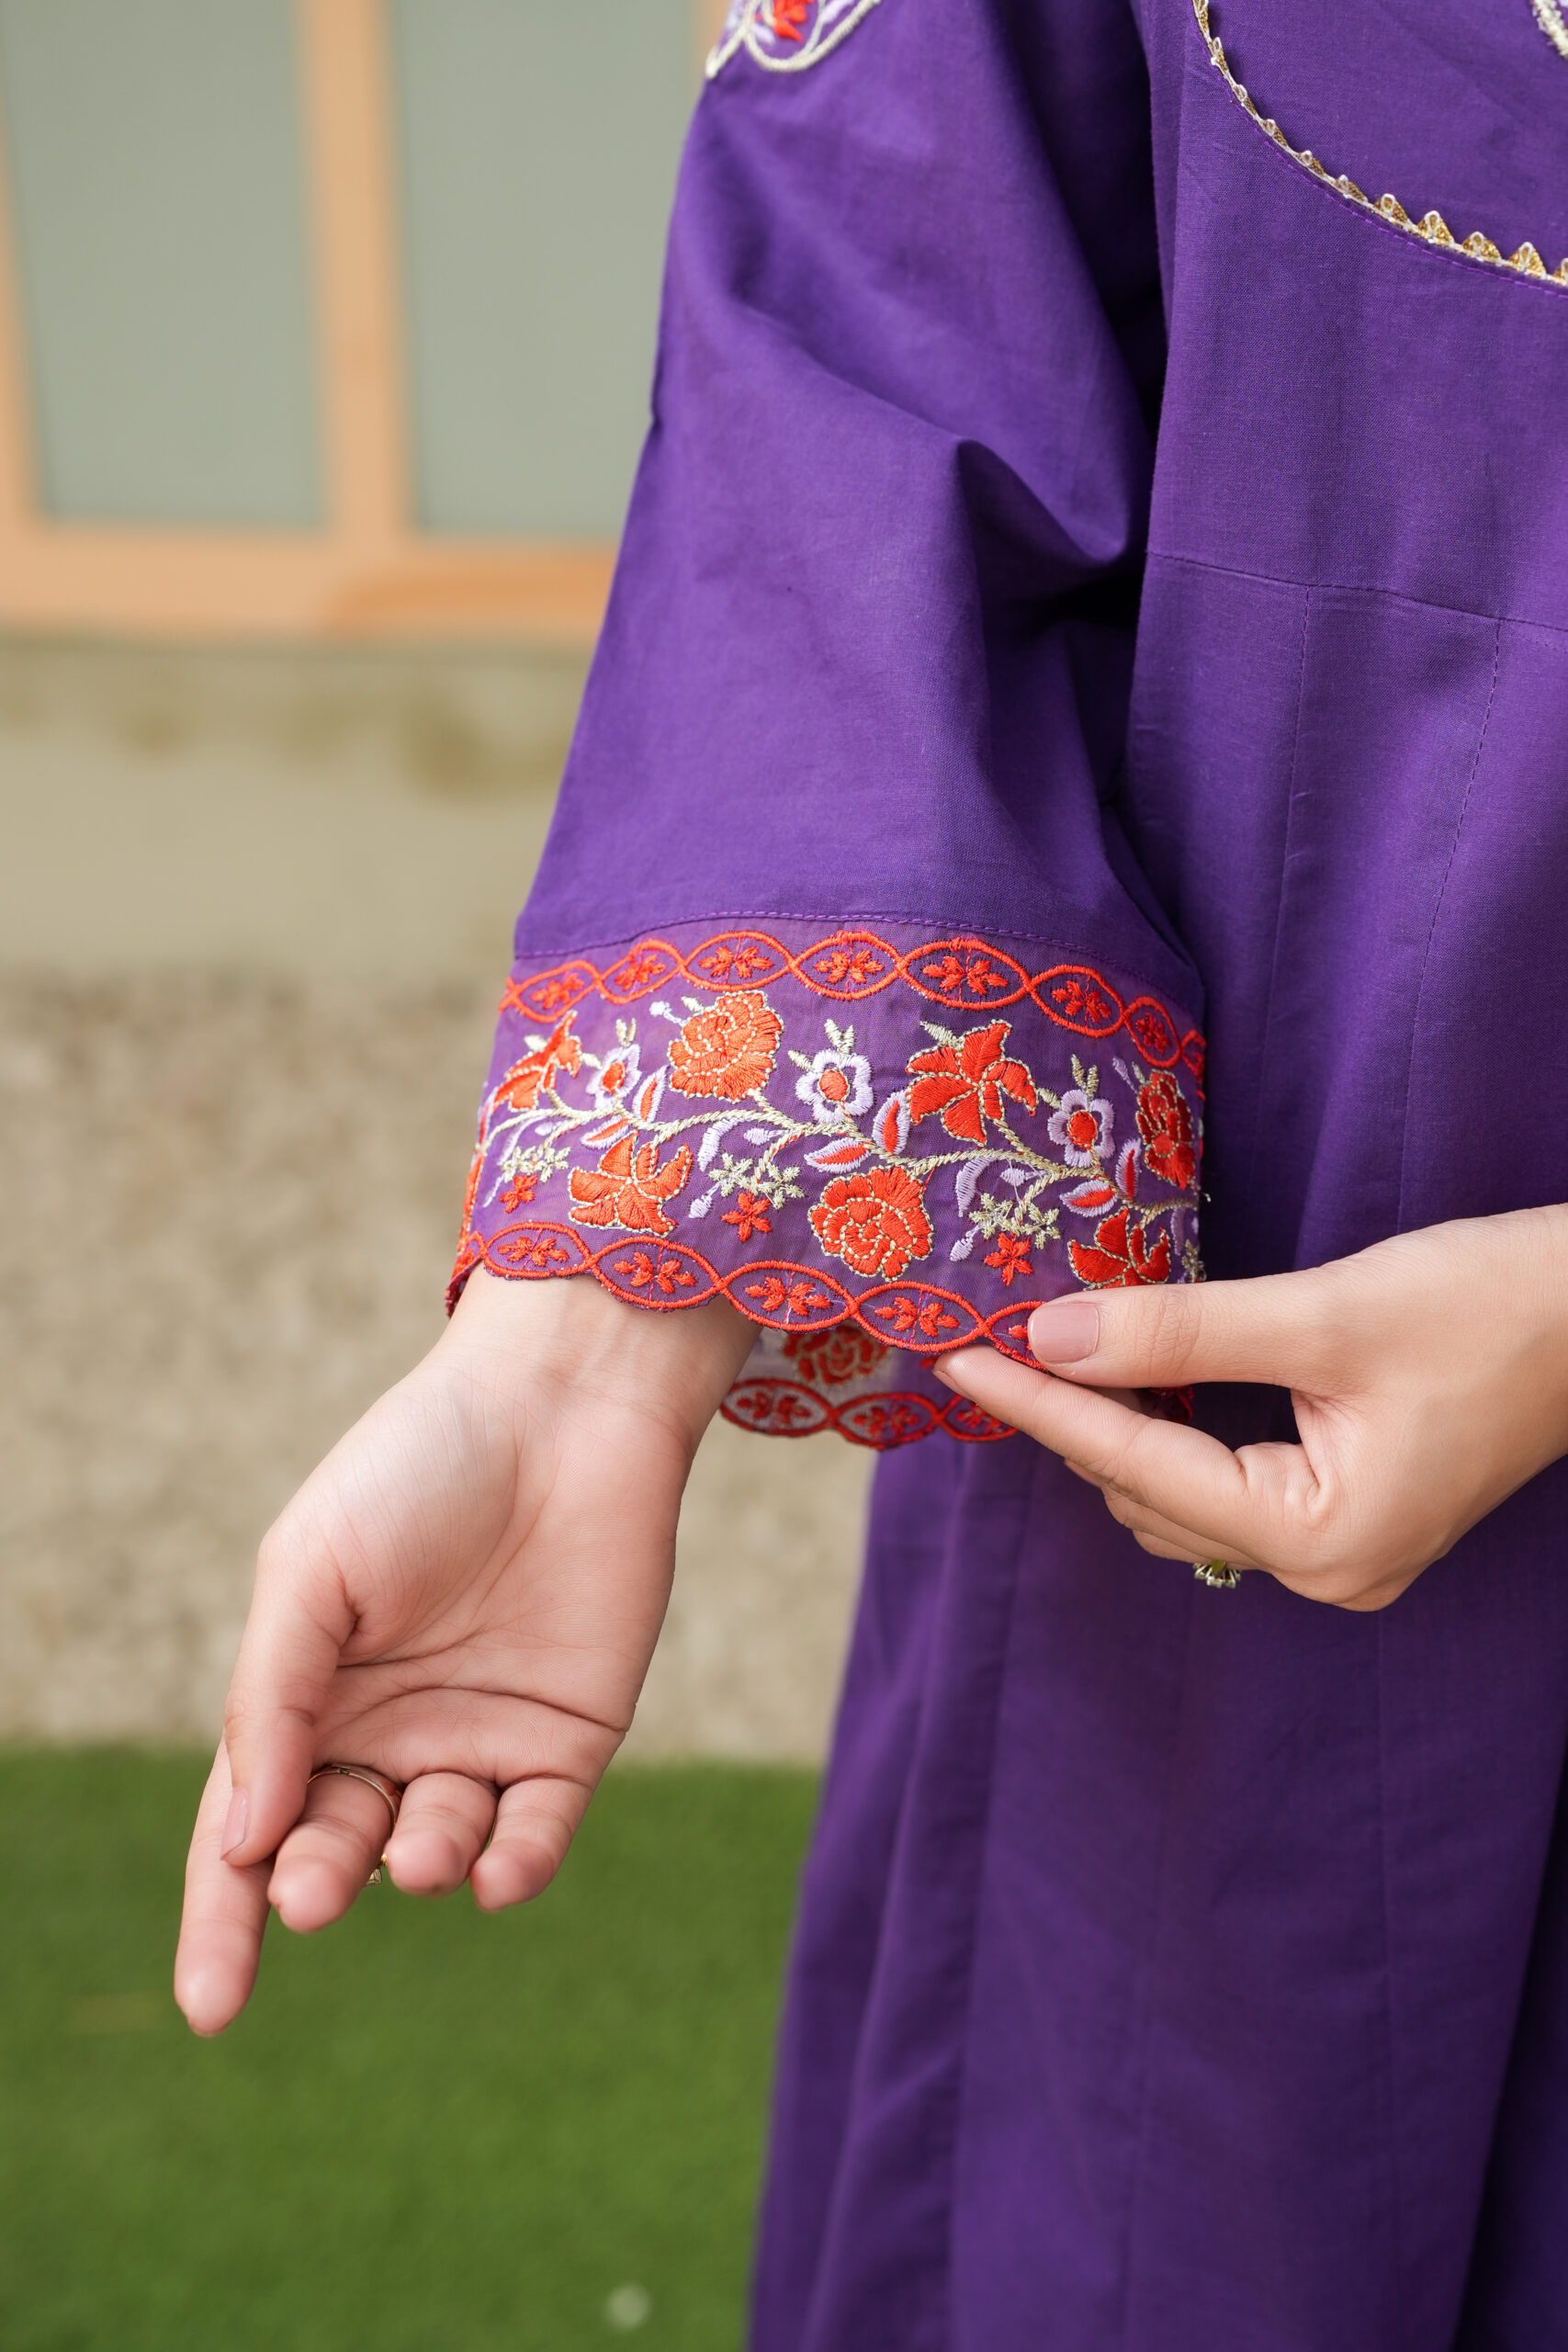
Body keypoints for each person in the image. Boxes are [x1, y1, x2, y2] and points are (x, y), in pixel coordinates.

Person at [176, 0, 1568, 2342]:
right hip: (1246, 1342)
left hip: (1289, 1338)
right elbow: (878, 319)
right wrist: (589, 1340)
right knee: (1175, 2179)